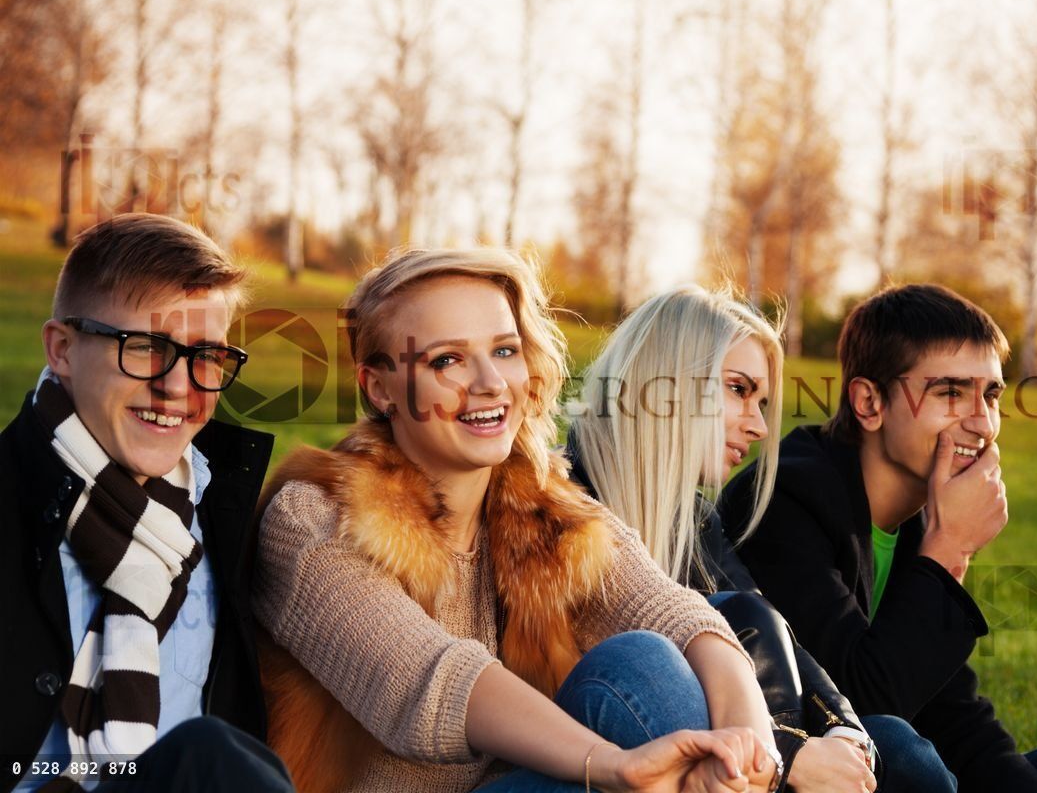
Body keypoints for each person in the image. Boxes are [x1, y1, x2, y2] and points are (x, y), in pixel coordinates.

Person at [253, 249, 785, 793]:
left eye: (504, 351)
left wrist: (753, 748)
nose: (490, 383)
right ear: (379, 387)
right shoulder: (315, 517)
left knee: (644, 660)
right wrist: (617, 767)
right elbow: (432, 683)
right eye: (446, 360)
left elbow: (668, 610)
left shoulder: (541, 505)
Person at [720, 283, 1037, 793]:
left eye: (990, 395)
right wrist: (948, 553)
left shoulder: (918, 521)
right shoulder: (784, 502)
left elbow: (956, 718)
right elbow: (857, 708)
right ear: (869, 402)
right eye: (950, 393)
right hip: (805, 772)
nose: (983, 424)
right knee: (899, 749)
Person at [566, 285, 953, 793]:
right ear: (670, 383)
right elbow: (626, 689)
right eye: (738, 389)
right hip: (627, 750)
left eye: (762, 401)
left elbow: (776, 633)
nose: (757, 426)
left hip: (735, 742)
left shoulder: (693, 519)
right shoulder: (557, 502)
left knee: (895, 746)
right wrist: (787, 756)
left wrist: (844, 728)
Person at [1, 213, 291, 792]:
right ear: (61, 349)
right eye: (145, 347)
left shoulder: (224, 518)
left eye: (207, 356)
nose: (178, 388)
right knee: (210, 757)